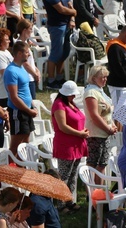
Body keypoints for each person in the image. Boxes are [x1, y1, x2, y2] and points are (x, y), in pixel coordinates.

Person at [51, 80, 87, 213]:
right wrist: (80, 133)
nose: (73, 97)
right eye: (71, 95)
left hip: (76, 144)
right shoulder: (59, 105)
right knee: (64, 176)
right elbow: (62, 126)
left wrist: (82, 133)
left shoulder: (71, 104)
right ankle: (60, 204)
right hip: (66, 145)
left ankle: (69, 200)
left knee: (73, 175)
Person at [42, 0, 75, 88]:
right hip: (56, 26)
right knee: (56, 53)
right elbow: (61, 9)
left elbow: (69, 4)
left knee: (64, 53)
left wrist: (71, 17)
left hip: (66, 25)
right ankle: (50, 81)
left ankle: (59, 77)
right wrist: (73, 12)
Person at [5, 40, 38, 156]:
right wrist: (28, 110)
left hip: (26, 110)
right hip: (18, 112)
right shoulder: (11, 71)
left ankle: (23, 168)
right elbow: (14, 97)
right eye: (26, 52)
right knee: (16, 146)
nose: (28, 54)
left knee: (25, 143)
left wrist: (32, 106)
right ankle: (12, 172)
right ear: (19, 53)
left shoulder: (21, 68)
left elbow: (25, 91)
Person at [84, 65, 116, 175]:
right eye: (102, 77)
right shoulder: (91, 93)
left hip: (103, 133)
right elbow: (94, 115)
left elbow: (106, 113)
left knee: (102, 165)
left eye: (106, 77)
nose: (105, 79)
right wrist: (108, 129)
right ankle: (93, 190)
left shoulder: (100, 91)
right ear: (93, 78)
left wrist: (112, 124)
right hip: (96, 134)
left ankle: (99, 190)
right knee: (94, 165)